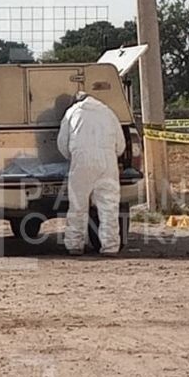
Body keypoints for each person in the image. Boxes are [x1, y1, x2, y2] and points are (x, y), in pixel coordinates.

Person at [57, 90, 125, 256]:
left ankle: (74, 245)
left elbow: (62, 143)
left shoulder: (72, 112)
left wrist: (72, 157)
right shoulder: (109, 113)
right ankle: (110, 247)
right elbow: (121, 145)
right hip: (107, 162)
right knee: (109, 206)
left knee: (78, 205)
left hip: (81, 161)